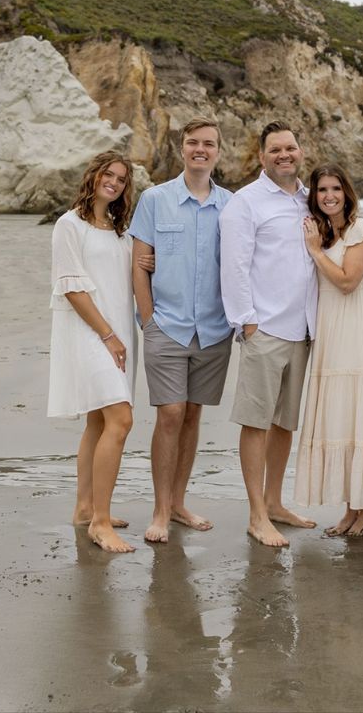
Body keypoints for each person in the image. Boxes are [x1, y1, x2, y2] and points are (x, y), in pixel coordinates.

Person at [130, 118, 233, 544]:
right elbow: (139, 264)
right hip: (167, 326)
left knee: (193, 416)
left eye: (209, 144)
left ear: (218, 152)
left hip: (214, 329)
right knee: (170, 415)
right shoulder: (155, 199)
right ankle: (159, 509)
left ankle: (178, 503)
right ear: (182, 148)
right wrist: (148, 319)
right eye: (193, 142)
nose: (200, 150)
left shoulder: (232, 205)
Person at [220, 121, 318, 548]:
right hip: (265, 328)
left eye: (291, 148)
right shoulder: (246, 203)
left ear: (300, 152)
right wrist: (247, 321)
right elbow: (235, 265)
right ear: (261, 157)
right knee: (257, 421)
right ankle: (257, 515)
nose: (285, 155)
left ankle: (275, 502)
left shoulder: (311, 200)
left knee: (285, 422)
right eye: (275, 149)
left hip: (304, 330)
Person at [47, 150, 139, 554]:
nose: (114, 182)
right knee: (121, 419)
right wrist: (107, 335)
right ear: (94, 175)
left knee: (98, 424)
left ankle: (85, 507)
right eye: (109, 174)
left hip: (116, 333)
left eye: (121, 179)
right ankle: (101, 523)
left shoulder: (118, 229)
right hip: (91, 332)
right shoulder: (70, 225)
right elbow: (72, 288)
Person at [294, 164, 363, 536]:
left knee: (358, 419)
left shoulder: (361, 230)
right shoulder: (326, 233)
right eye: (321, 190)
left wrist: (316, 252)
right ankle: (351, 510)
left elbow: (349, 282)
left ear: (347, 192)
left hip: (355, 334)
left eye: (335, 188)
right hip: (329, 335)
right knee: (341, 419)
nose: (329, 195)